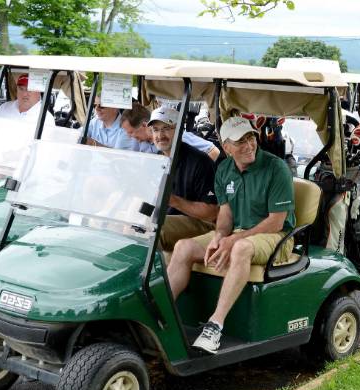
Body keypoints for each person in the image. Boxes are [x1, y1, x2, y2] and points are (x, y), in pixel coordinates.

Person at [166, 117, 296, 353]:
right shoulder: (225, 169)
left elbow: (276, 221)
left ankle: (215, 325)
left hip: (277, 236)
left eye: (250, 138)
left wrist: (234, 239)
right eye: (240, 142)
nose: (248, 146)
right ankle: (163, 317)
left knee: (240, 248)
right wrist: (219, 235)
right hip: (239, 232)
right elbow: (225, 214)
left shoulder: (276, 168)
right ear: (226, 148)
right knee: (184, 247)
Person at [149, 106, 219, 250]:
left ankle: (151, 272)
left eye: (166, 128)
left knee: (153, 230)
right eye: (156, 130)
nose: (160, 135)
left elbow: (212, 213)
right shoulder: (156, 161)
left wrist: (173, 201)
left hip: (201, 222)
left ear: (180, 130)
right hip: (167, 219)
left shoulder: (200, 162)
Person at [121, 103, 221, 159]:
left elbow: (213, 151)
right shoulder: (140, 143)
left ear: (144, 125)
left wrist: (198, 174)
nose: (130, 136)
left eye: (131, 132)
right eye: (156, 130)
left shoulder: (176, 138)